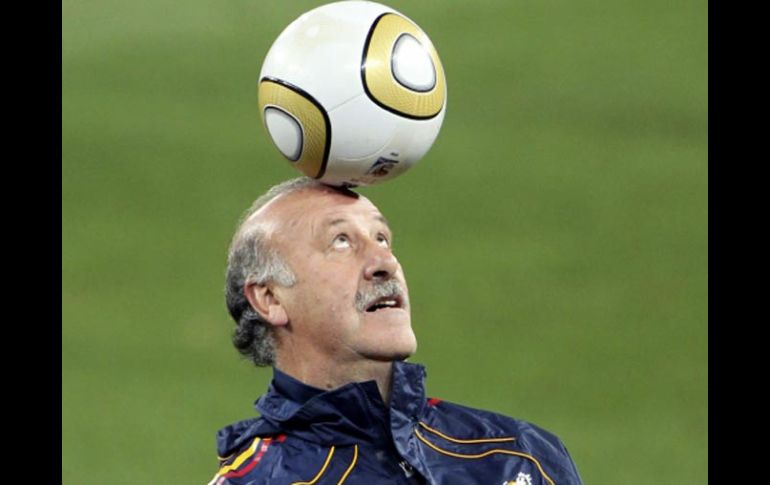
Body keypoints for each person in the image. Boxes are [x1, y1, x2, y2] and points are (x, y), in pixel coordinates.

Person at [209, 177, 583, 484]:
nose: (384, 262)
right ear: (270, 298)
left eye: (382, 238)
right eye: (341, 241)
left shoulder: (519, 456)